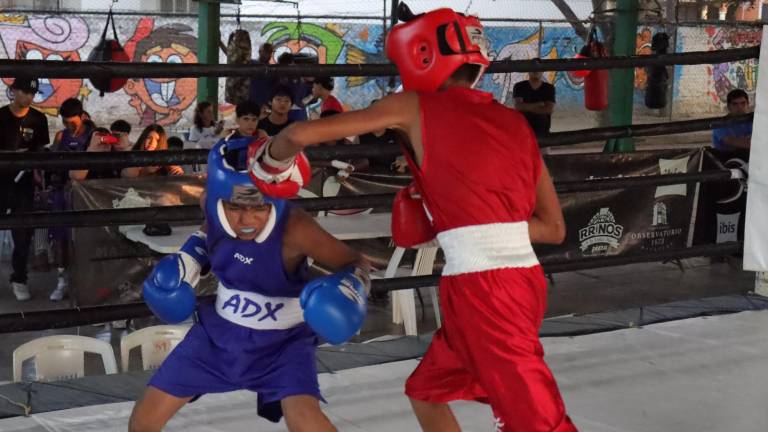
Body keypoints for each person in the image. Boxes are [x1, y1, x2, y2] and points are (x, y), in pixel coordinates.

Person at [262, 5, 575, 431]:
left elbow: (297, 135)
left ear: (421, 54)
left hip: (487, 290)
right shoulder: (515, 123)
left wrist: (265, 164)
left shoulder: (414, 106)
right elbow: (554, 228)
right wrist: (466, 228)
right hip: (514, 283)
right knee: (428, 391)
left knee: (539, 420)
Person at [129, 136, 370, 432]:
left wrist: (350, 289)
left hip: (283, 345)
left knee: (305, 421)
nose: (246, 219)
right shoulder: (211, 205)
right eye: (234, 207)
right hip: (218, 336)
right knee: (144, 420)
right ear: (219, 199)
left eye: (259, 208)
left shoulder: (295, 228)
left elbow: (357, 263)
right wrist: (188, 259)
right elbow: (209, 231)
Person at [0, 77, 50, 301]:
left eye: (33, 93)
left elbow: (41, 150)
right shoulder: (0, 117)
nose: (29, 96)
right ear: (13, 91)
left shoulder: (38, 119)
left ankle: (19, 278)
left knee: (23, 233)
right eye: (24, 92)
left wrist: (34, 160)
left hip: (24, 184)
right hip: (1, 182)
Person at [48, 98, 94, 301]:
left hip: (85, 195)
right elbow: (51, 165)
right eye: (65, 122)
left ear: (83, 117)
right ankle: (62, 279)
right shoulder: (61, 136)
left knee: (83, 240)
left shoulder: (93, 136)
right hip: (62, 191)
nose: (68, 127)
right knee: (61, 238)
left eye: (72, 122)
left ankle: (83, 281)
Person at [513, 69, 556, 136]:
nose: (536, 71)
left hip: (542, 130)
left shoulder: (549, 88)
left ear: (543, 71)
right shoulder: (519, 86)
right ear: (528, 71)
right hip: (524, 130)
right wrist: (538, 104)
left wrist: (526, 107)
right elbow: (518, 107)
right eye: (533, 69)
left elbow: (549, 109)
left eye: (539, 69)